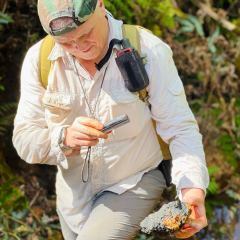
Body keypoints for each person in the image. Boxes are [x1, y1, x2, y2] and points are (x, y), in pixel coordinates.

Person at [13, 0, 209, 239]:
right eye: (66, 42)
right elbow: (24, 139)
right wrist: (64, 138)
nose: (80, 47)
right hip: (72, 197)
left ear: (101, 7)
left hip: (135, 179)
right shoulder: (39, 60)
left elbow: (180, 128)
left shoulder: (148, 50)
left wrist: (192, 190)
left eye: (86, 34)